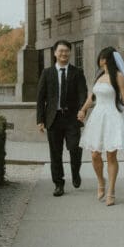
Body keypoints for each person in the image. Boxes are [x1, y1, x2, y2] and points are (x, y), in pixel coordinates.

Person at [77, 46, 124, 206]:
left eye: (102, 57)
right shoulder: (99, 76)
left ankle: (111, 191)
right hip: (97, 117)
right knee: (95, 155)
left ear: (106, 59)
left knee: (111, 155)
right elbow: (92, 97)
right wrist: (83, 110)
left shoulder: (118, 76)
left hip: (113, 117)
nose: (100, 59)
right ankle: (100, 181)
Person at [36, 40, 88, 197]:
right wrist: (40, 120)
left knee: (74, 148)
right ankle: (59, 184)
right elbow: (40, 98)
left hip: (72, 118)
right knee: (55, 153)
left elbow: (82, 94)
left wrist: (82, 110)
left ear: (70, 53)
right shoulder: (47, 73)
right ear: (55, 53)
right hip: (54, 118)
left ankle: (76, 172)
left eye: (66, 51)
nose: (63, 54)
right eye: (61, 51)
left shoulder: (77, 72)